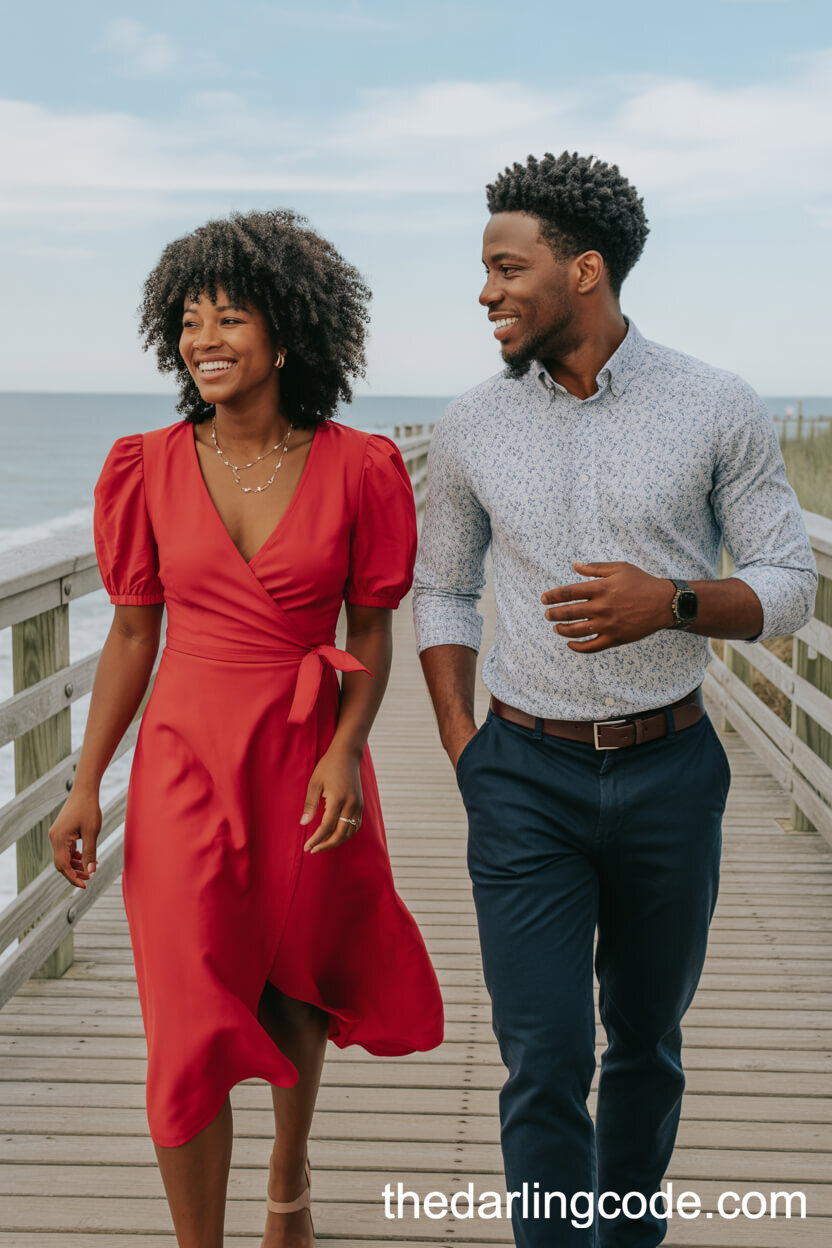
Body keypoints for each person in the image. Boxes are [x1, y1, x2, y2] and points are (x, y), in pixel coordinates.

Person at [412, 151, 816, 1246]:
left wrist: (672, 602)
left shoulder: (715, 405)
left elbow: (789, 582)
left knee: (644, 1043)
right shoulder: (467, 426)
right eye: (483, 269)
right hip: (523, 777)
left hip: (670, 772)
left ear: (583, 270)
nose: (485, 290)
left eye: (507, 267)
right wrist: (463, 746)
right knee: (544, 1057)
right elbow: (441, 585)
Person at [48, 207, 443, 1248]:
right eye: (187, 321)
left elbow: (372, 630)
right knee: (185, 1015)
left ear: (288, 331)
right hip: (183, 766)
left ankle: (287, 1173)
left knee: (292, 982)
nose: (204, 339)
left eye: (229, 316)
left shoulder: (360, 465)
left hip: (303, 753)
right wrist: (86, 783)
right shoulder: (144, 464)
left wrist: (347, 750)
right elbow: (133, 636)